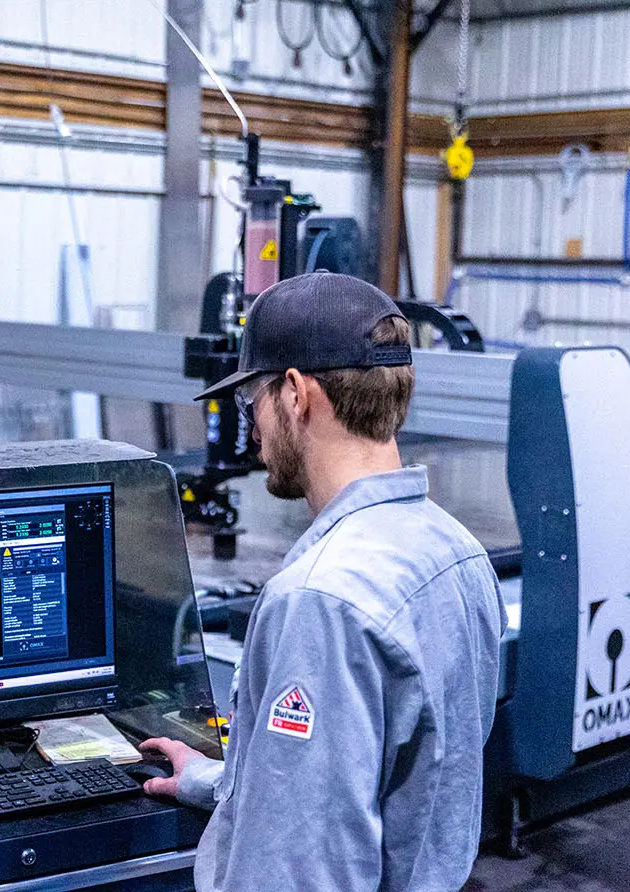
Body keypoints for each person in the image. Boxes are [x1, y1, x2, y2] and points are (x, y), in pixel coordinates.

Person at [140, 272, 507, 892]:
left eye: (249, 400)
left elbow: (300, 873)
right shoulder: (458, 553)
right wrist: (221, 782)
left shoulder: (319, 599)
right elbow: (385, 784)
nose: (251, 428)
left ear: (293, 394)